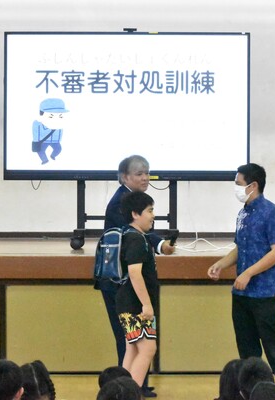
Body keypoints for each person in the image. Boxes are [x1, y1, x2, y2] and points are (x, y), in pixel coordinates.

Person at [207, 163, 275, 400]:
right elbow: (240, 248)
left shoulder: (273, 213)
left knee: (273, 343)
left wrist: (248, 273)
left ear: (253, 185)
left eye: (238, 183)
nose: (236, 188)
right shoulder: (243, 213)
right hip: (242, 293)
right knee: (247, 347)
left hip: (265, 291)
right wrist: (221, 264)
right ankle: (253, 390)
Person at [96, 155, 175, 398]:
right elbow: (134, 262)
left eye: (147, 173)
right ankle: (130, 389)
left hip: (127, 290)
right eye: (139, 173)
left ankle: (127, 388)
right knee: (137, 344)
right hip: (124, 289)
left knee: (132, 344)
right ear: (124, 177)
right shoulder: (122, 205)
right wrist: (160, 244)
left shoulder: (130, 201)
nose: (145, 178)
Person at [115, 191, 159, 390]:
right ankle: (130, 393)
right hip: (135, 306)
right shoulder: (136, 239)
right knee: (148, 349)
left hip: (128, 304)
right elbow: (134, 273)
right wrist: (147, 304)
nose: (153, 215)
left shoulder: (130, 235)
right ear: (135, 214)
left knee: (132, 350)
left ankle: (120, 392)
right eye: (149, 210)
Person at [31, 98, 68, 164]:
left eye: (60, 116)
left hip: (55, 140)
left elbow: (60, 131)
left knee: (58, 149)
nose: (56, 119)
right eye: (51, 116)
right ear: (41, 114)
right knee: (40, 151)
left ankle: (52, 156)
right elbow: (35, 132)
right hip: (43, 141)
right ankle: (45, 160)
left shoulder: (60, 123)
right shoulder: (38, 123)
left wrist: (59, 139)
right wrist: (36, 140)